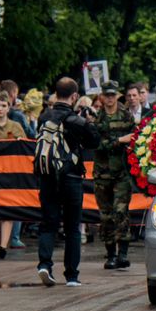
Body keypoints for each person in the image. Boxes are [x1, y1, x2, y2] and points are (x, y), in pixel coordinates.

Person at [33, 76, 97, 287]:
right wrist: (89, 121)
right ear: (75, 96)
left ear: (56, 93)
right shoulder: (76, 121)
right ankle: (71, 275)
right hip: (71, 179)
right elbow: (93, 141)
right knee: (72, 228)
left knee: (48, 223)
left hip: (47, 177)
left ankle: (44, 264)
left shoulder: (44, 117)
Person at [91, 81, 136, 270]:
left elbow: (134, 139)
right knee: (106, 216)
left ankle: (123, 254)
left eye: (112, 95)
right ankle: (110, 254)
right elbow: (96, 144)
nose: (109, 99)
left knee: (121, 213)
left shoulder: (126, 115)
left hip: (121, 173)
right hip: (102, 174)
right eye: (106, 95)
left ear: (117, 95)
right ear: (101, 97)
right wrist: (118, 141)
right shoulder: (97, 118)